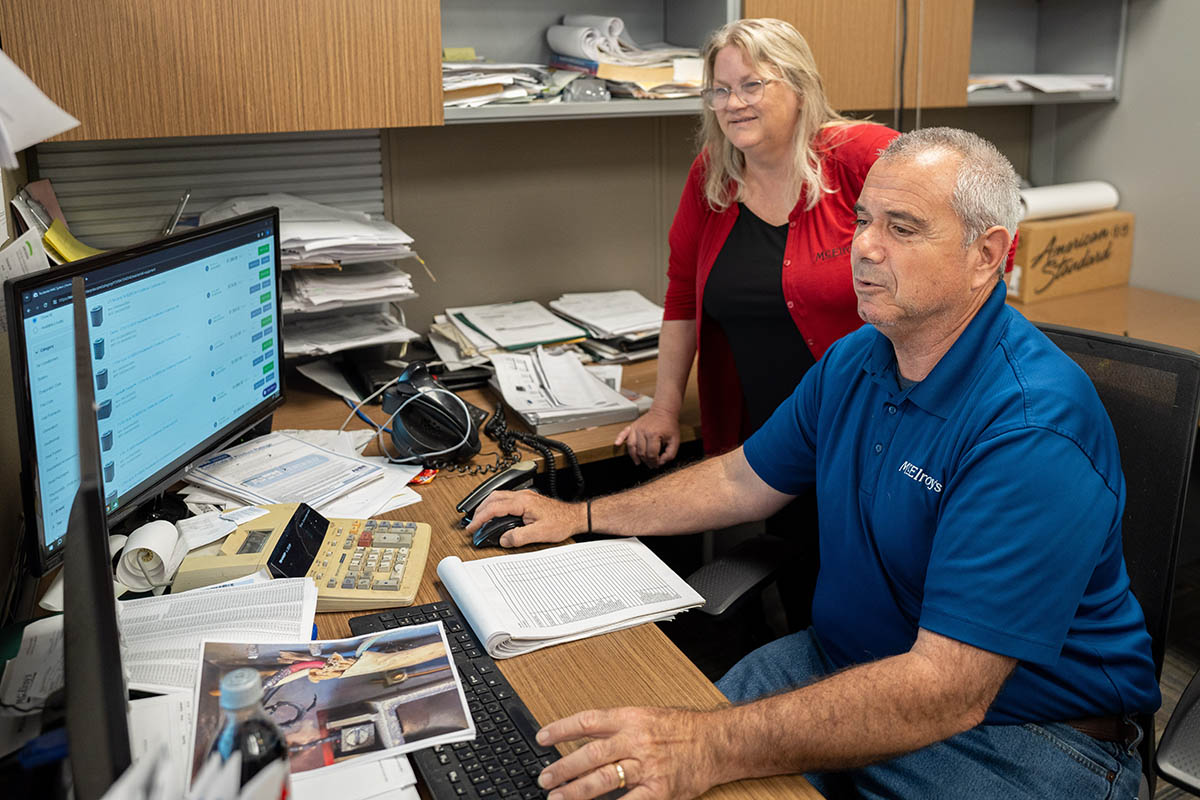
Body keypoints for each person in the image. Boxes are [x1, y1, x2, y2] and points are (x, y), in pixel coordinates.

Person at [467, 127, 1160, 800]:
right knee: (611, 764)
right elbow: (742, 479)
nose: (862, 248)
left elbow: (947, 690)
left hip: (1022, 734)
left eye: (903, 228)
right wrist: (581, 515)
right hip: (841, 665)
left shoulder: (1031, 425)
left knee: (687, 752)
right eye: (862, 220)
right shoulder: (859, 358)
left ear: (987, 255)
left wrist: (711, 744)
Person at [615, 17, 898, 631]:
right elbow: (683, 294)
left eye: (752, 85)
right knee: (807, 601)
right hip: (777, 440)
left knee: (876, 601)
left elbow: (966, 226)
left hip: (873, 431)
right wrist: (664, 407)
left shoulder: (859, 155)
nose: (733, 103)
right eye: (720, 90)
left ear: (797, 86)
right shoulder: (712, 176)